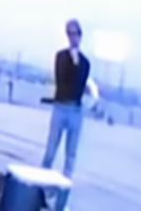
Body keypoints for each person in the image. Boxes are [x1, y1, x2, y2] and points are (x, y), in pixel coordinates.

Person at [41, 18, 99, 180]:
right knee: (51, 149)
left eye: (75, 34)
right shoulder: (61, 56)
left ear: (80, 36)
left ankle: (65, 184)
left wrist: (76, 62)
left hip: (75, 110)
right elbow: (62, 80)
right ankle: (41, 182)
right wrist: (72, 61)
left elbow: (79, 85)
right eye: (69, 34)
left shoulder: (85, 63)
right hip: (60, 107)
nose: (73, 38)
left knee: (71, 152)